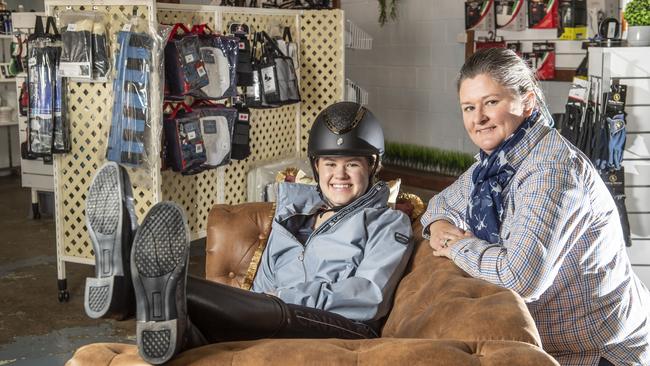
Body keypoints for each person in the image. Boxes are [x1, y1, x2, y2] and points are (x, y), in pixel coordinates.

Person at [83, 101, 413, 364]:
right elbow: (264, 285)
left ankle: (126, 285)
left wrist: (280, 298)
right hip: (269, 317)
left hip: (340, 327)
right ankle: (158, 309)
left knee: (187, 291)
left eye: (352, 164)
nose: (339, 174)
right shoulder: (291, 214)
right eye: (330, 163)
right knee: (186, 325)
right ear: (316, 166)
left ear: (372, 166)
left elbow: (369, 297)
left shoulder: (386, 223)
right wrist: (260, 303)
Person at [421, 47, 650, 366]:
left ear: (527, 102)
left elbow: (520, 278)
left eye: (491, 102)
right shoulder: (494, 165)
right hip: (545, 347)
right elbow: (440, 206)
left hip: (601, 353)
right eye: (468, 107)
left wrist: (458, 246)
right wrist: (443, 229)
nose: (478, 119)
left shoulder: (551, 170)